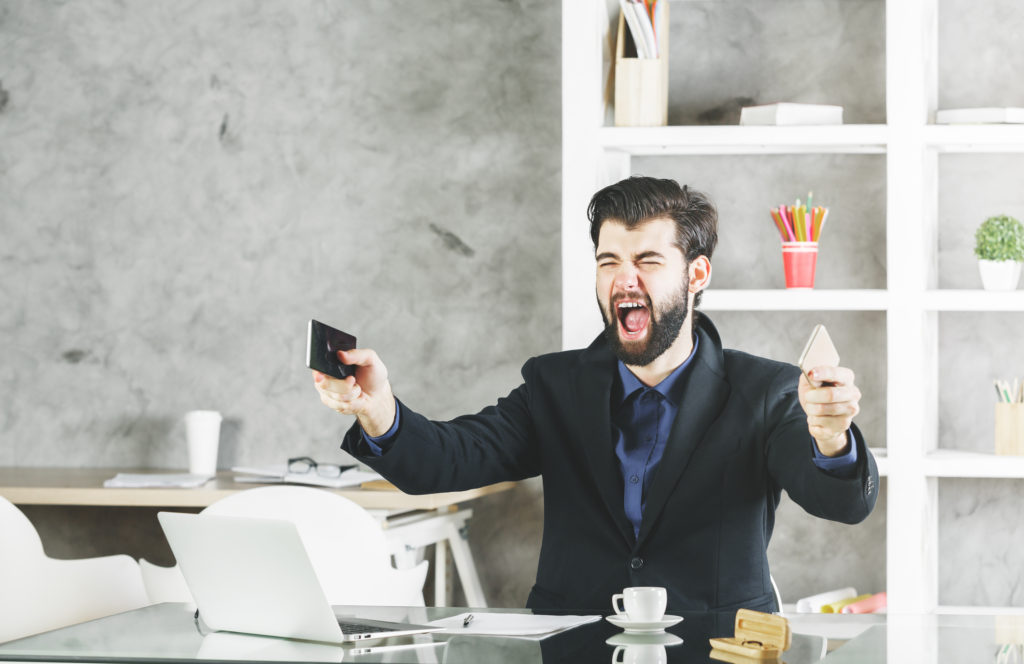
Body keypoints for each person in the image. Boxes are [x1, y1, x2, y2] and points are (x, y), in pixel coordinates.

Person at [312, 176, 878, 613]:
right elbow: (447, 460)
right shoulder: (554, 386)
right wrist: (378, 410)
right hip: (574, 658)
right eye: (609, 262)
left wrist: (830, 439)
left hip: (715, 660)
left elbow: (843, 504)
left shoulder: (766, 390)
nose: (623, 280)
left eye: (648, 261)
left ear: (697, 274)